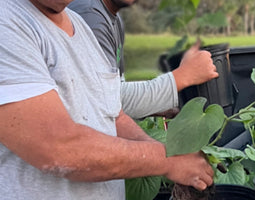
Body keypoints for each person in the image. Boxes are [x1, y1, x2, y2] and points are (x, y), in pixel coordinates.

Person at [0, 0, 215, 199]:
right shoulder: (8, 20)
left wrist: (169, 154)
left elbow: (114, 115)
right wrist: (167, 160)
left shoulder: (79, 25)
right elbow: (57, 147)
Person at [68, 0, 218, 119]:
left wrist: (156, 106)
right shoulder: (90, 15)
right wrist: (183, 77)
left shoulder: (112, 17)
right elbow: (106, 101)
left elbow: (117, 88)